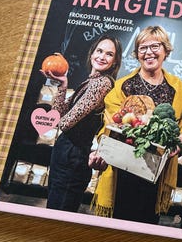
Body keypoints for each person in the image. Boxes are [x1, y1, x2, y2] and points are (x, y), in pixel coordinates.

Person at [90, 25, 182, 224]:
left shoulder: (177, 88)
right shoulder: (122, 85)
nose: (148, 52)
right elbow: (110, 124)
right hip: (122, 172)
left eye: (155, 46)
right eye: (142, 48)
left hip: (157, 174)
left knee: (147, 225)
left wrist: (179, 141)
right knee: (118, 225)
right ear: (137, 53)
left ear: (165, 50)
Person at [42, 35, 123, 212]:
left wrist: (57, 120)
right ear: (92, 53)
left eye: (109, 54)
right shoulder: (91, 81)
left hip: (74, 155)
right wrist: (63, 84)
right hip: (66, 152)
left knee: (59, 212)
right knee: (55, 207)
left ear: (115, 62)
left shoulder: (102, 84)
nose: (102, 57)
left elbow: (64, 123)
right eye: (99, 51)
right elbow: (58, 114)